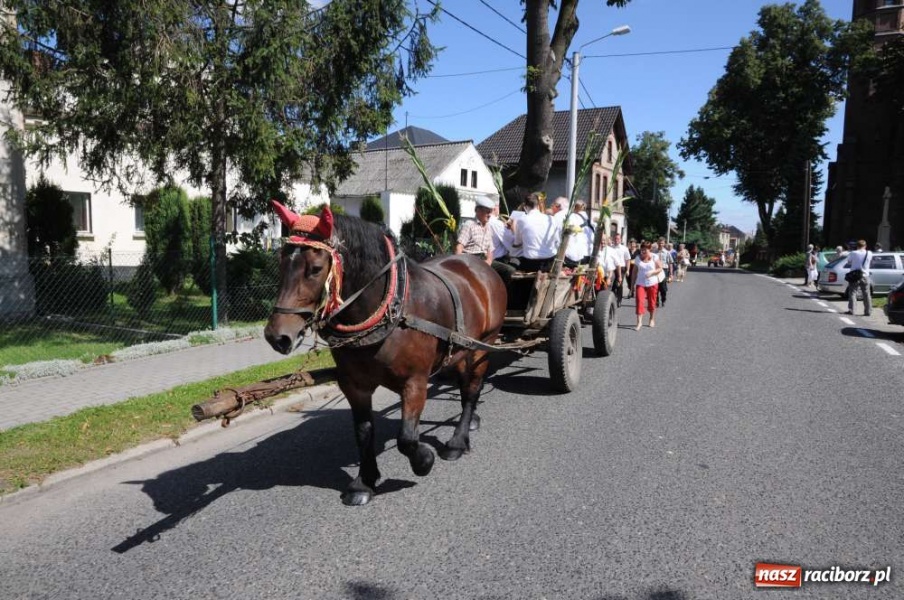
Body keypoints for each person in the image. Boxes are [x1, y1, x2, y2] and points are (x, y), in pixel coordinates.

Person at [512, 191, 559, 272]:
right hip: (550, 262)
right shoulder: (552, 219)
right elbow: (557, 241)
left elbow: (517, 243)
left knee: (514, 262)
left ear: (525, 206)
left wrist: (512, 228)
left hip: (531, 263)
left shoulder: (522, 220)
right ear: (538, 206)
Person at [455, 196, 495, 266]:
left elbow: (490, 250)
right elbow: (459, 246)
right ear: (478, 211)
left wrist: (489, 261)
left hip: (484, 261)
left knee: (509, 270)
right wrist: (459, 265)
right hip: (471, 261)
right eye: (487, 212)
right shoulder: (469, 225)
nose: (489, 215)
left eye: (490, 212)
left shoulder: (489, 228)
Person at [633, 241, 663, 330]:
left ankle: (651, 318)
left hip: (652, 283)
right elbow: (634, 272)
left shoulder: (654, 257)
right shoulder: (638, 258)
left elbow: (660, 268)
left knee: (652, 302)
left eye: (645, 249)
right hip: (640, 283)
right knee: (639, 301)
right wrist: (632, 285)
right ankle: (639, 323)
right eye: (642, 249)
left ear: (649, 249)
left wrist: (652, 272)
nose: (643, 251)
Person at [844, 239, 872, 316]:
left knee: (852, 293)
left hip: (855, 275)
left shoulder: (853, 253)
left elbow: (849, 262)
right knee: (866, 294)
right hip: (865, 275)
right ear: (865, 246)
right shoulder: (869, 253)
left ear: (857, 246)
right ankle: (868, 311)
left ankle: (852, 310)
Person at [564, 199, 594, 267]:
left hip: (577, 256)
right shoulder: (591, 221)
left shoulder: (572, 217)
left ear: (575, 207)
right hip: (590, 255)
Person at [655, 239, 673, 306]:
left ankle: (663, 299)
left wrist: (671, 274)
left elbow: (670, 263)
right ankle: (656, 300)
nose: (660, 244)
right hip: (656, 270)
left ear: (664, 244)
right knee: (655, 286)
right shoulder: (654, 252)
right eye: (659, 243)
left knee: (663, 287)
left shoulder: (667, 252)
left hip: (664, 270)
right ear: (657, 243)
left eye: (662, 243)